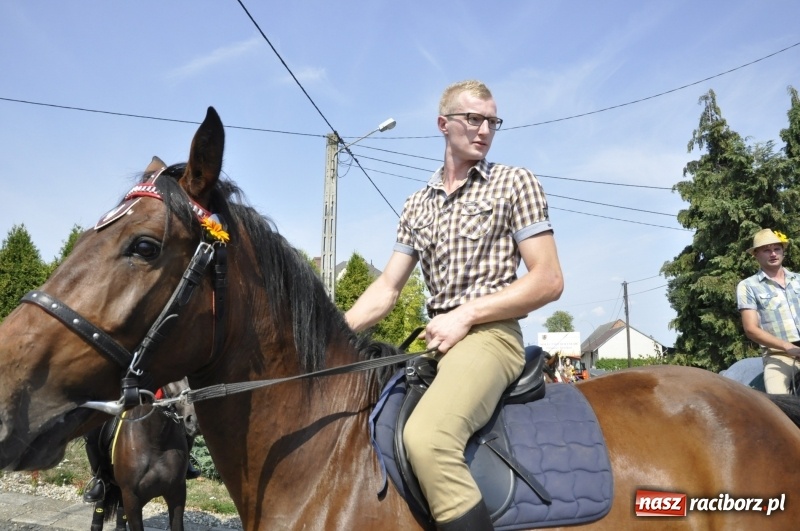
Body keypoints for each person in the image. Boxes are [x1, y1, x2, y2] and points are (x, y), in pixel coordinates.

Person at [345, 80, 563, 530]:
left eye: (492, 121)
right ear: (444, 124)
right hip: (438, 343)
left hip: (491, 336)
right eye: (473, 119)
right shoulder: (416, 205)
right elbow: (387, 288)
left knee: (427, 439)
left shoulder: (513, 183)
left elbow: (548, 280)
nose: (484, 130)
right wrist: (331, 332)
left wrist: (465, 315)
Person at [737, 228, 800, 394]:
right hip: (780, 355)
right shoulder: (747, 286)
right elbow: (751, 329)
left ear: (783, 252)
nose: (773, 254)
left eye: (777, 249)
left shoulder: (799, 280)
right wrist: (787, 347)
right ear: (756, 255)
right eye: (766, 250)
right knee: (778, 398)